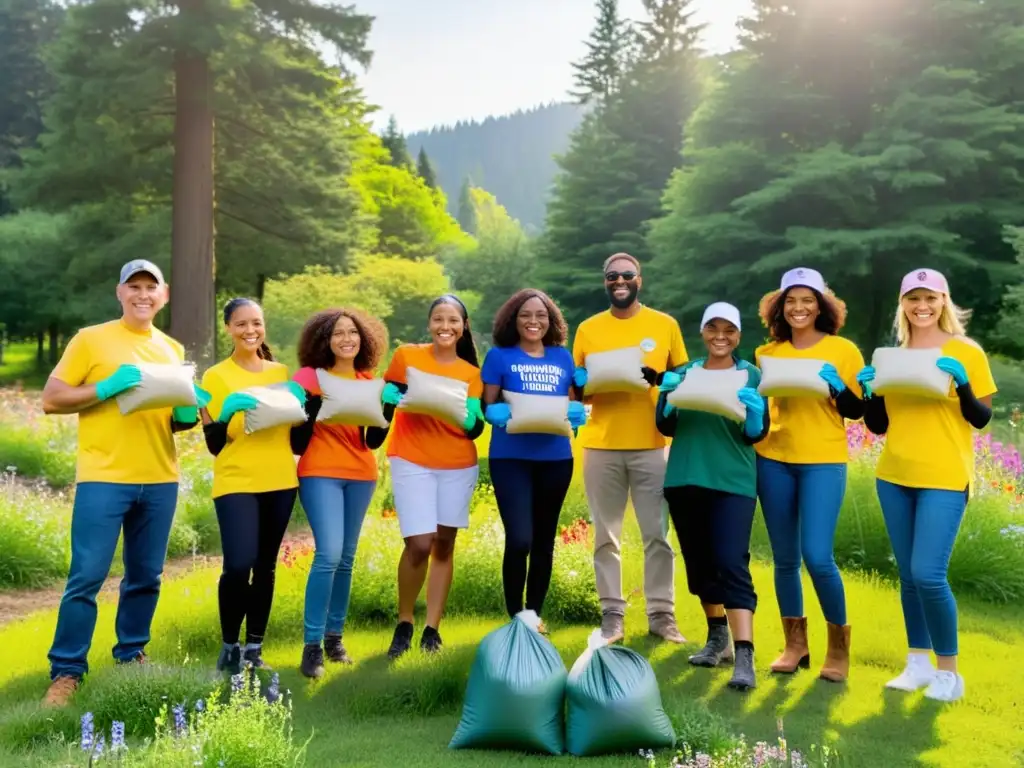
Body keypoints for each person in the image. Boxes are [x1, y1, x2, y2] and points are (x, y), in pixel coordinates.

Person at [40, 259, 202, 707]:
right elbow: (52, 400)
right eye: (135, 286)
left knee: (146, 576)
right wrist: (106, 387)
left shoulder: (171, 348)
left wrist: (187, 412)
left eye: (151, 287)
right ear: (120, 292)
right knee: (87, 576)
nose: (143, 294)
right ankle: (67, 671)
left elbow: (170, 420)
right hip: (104, 478)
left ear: (163, 295)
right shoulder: (90, 340)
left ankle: (131, 654)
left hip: (160, 478)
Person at [857, 269, 996, 702]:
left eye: (930, 298)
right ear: (903, 303)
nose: (922, 306)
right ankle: (917, 663)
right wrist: (871, 394)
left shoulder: (966, 351)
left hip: (944, 477)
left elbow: (981, 417)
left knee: (928, 574)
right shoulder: (893, 357)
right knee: (908, 575)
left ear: (944, 301)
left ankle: (949, 674)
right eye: (914, 298)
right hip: (894, 475)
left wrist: (964, 384)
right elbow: (878, 426)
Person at [754, 267, 865, 683]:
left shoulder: (843, 350)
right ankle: (795, 645)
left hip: (822, 459)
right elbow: (762, 414)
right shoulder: (767, 354)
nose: (799, 308)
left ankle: (838, 649)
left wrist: (837, 386)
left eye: (808, 300)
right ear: (780, 306)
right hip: (774, 459)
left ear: (822, 305)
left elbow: (856, 412)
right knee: (784, 559)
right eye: (791, 300)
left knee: (817, 556)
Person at [571, 253, 687, 644]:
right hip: (601, 445)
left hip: (653, 444)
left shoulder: (664, 325)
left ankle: (661, 615)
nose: (619, 281)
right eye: (611, 276)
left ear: (640, 279)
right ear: (604, 283)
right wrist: (582, 383)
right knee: (606, 536)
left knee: (657, 534)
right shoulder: (588, 330)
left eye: (626, 275)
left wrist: (661, 379)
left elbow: (683, 379)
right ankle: (612, 617)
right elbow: (576, 390)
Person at [656, 302, 769, 691]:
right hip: (685, 478)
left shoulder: (751, 375)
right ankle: (716, 638)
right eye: (712, 328)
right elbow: (665, 425)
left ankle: (745, 655)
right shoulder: (684, 373)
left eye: (729, 330)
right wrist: (666, 396)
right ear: (702, 332)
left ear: (739, 335)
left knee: (730, 562)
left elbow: (757, 433)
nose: (720, 336)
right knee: (701, 565)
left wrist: (754, 415)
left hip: (732, 483)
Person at [200, 298, 307, 674]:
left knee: (265, 567)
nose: (250, 331)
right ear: (228, 328)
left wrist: (304, 406)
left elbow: (297, 439)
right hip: (236, 480)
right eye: (242, 324)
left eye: (256, 323)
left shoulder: (280, 373)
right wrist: (226, 412)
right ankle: (229, 644)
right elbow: (214, 445)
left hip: (280, 480)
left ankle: (254, 647)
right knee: (238, 564)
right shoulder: (215, 376)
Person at [382, 294, 485, 659]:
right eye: (439, 319)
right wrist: (390, 396)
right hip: (411, 458)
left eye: (453, 320)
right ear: (429, 324)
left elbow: (474, 424)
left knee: (444, 544)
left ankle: (432, 629)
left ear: (463, 326)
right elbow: (387, 399)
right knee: (419, 544)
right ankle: (405, 621)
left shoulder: (471, 374)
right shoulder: (407, 357)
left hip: (457, 463)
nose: (446, 326)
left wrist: (470, 419)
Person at [290, 308, 391, 679]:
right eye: (337, 334)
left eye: (352, 333)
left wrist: (390, 406)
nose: (346, 339)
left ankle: (335, 639)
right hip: (319, 472)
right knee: (329, 553)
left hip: (361, 473)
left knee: (346, 558)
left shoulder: (369, 382)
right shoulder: (311, 377)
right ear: (324, 341)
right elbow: (296, 437)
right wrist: (306, 404)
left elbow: (372, 439)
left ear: (363, 339)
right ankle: (312, 646)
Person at [481, 289, 587, 628]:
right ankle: (515, 618)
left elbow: (573, 402)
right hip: (511, 458)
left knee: (544, 539)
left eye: (541, 315)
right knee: (520, 539)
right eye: (526, 314)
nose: (533, 321)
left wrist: (579, 400)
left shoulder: (562, 358)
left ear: (550, 320)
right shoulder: (499, 357)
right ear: (514, 319)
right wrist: (491, 412)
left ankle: (534, 615)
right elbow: (487, 405)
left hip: (556, 459)